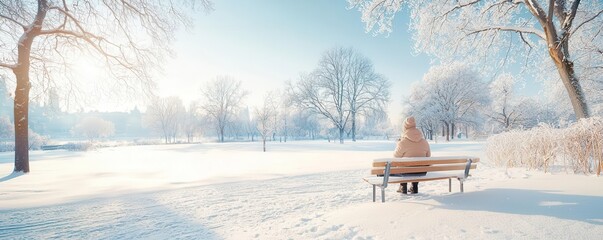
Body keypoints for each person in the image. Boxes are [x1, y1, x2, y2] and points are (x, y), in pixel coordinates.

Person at [393, 116, 431, 194]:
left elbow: (395, 157)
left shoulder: (403, 142)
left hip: (405, 172)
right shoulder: (424, 142)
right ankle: (414, 186)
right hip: (421, 172)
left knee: (401, 165)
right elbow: (428, 156)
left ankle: (403, 186)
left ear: (405, 128)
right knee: (416, 166)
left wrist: (398, 144)